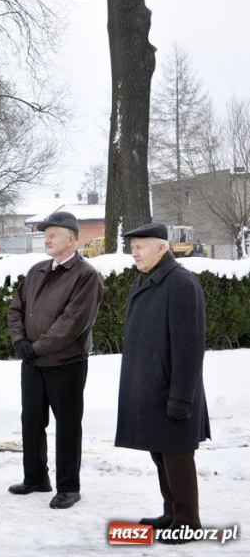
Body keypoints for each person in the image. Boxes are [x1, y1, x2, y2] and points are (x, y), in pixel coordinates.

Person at [116, 223, 210, 543]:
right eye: (132, 248)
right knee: (161, 455)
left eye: (140, 246)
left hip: (173, 390)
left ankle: (188, 521)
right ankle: (171, 513)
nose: (134, 252)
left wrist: (182, 397)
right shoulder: (148, 280)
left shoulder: (181, 283)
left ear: (161, 248)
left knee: (177, 456)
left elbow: (189, 345)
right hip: (152, 389)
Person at [6, 211, 104, 509]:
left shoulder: (85, 276)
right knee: (32, 421)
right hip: (33, 362)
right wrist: (20, 341)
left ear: (71, 239)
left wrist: (37, 347)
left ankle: (68, 487)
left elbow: (72, 323)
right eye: (45, 234)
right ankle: (36, 478)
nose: (46, 239)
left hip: (66, 363)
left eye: (53, 234)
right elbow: (15, 309)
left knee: (68, 425)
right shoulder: (36, 271)